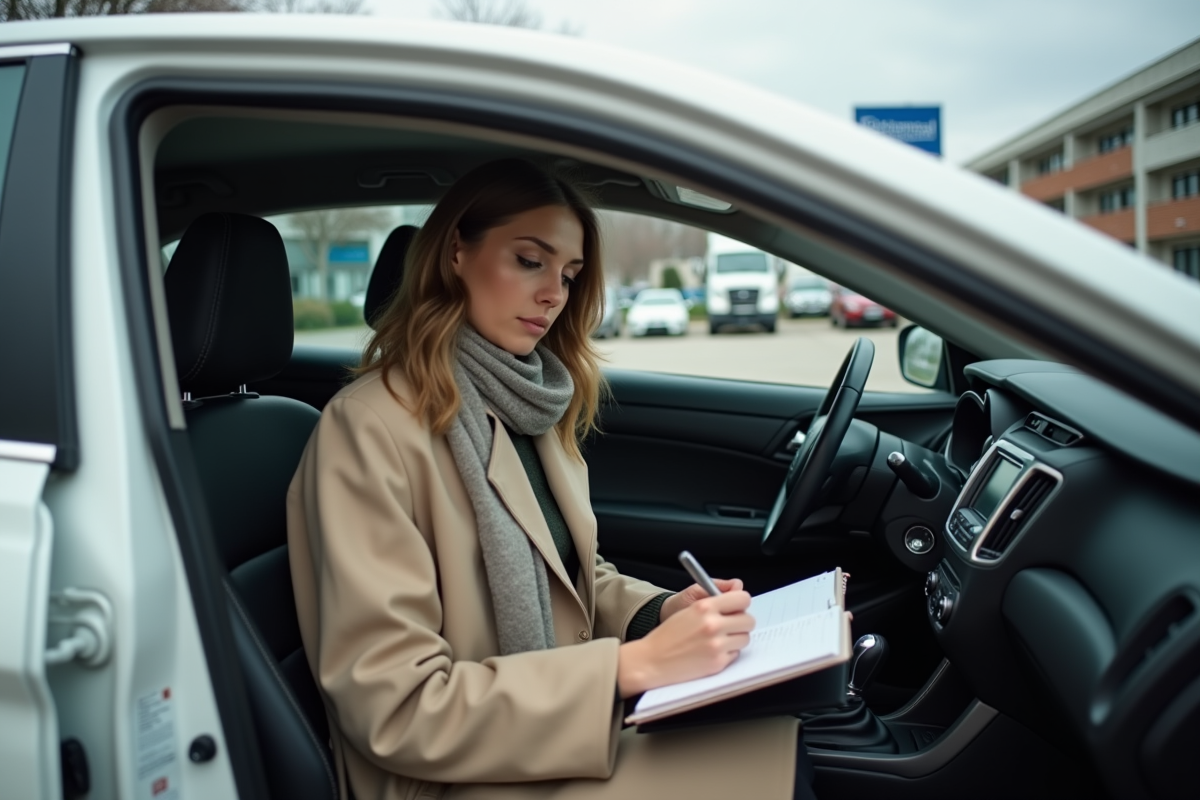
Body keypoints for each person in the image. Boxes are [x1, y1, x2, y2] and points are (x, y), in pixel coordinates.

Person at [287, 159, 817, 800]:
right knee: (777, 765)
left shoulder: (526, 404)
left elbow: (568, 576)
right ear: (457, 251)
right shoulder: (368, 429)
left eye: (568, 275)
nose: (554, 295)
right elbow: (399, 709)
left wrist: (657, 614)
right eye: (530, 261)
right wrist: (631, 666)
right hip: (448, 775)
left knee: (791, 735)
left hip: (541, 729)